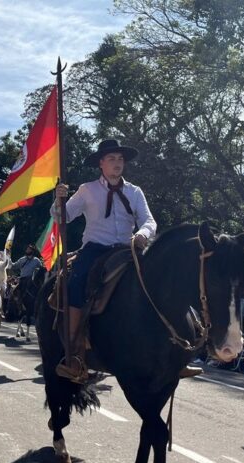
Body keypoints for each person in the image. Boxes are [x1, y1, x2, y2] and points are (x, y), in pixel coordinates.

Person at [52, 138, 174, 383]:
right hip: (95, 249)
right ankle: (75, 351)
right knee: (76, 284)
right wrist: (58, 199)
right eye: (112, 159)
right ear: (101, 163)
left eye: (120, 159)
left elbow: (149, 221)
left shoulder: (135, 191)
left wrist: (142, 234)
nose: (117, 163)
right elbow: (63, 216)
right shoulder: (88, 190)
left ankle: (173, 350)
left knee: (164, 282)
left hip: (128, 249)